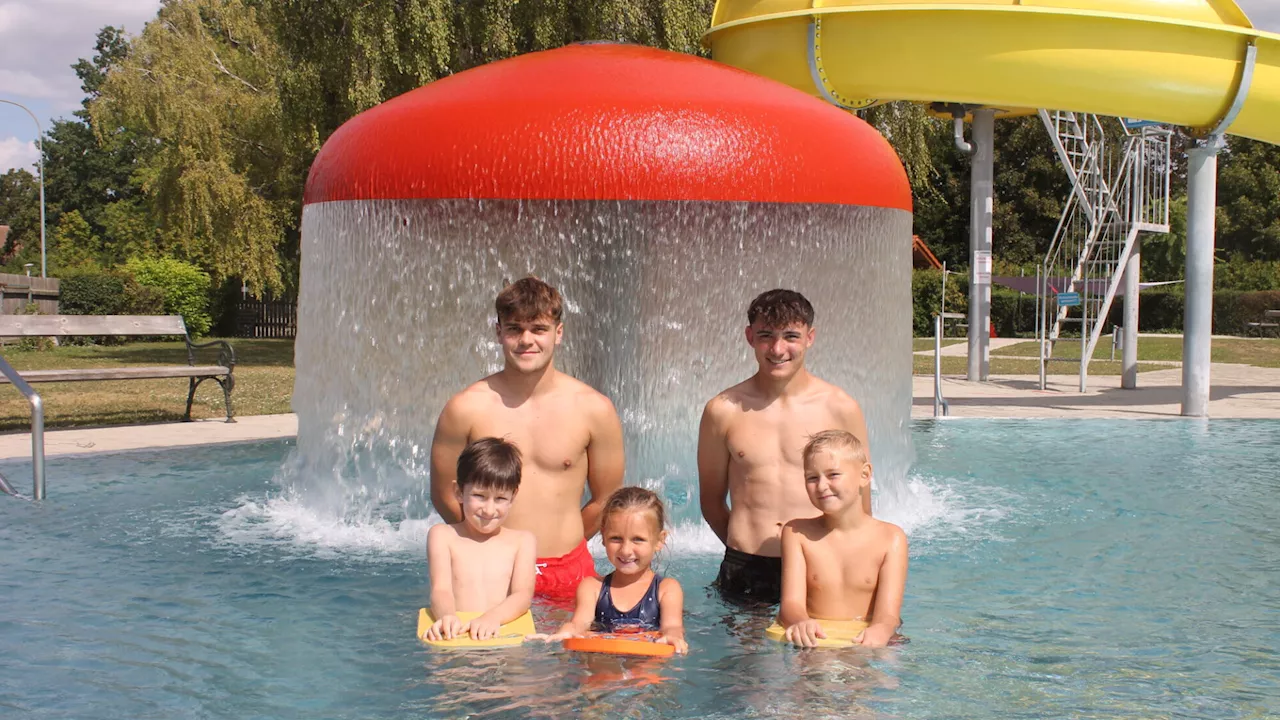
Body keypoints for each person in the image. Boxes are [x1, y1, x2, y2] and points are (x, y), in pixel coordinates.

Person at [431, 276, 625, 601]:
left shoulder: (594, 409)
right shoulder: (465, 409)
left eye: (538, 329)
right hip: (493, 569)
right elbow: (444, 494)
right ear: (498, 333)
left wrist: (565, 543)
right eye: (514, 329)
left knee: (579, 654)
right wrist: (489, 544)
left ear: (558, 333)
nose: (526, 340)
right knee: (490, 654)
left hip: (568, 569)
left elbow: (605, 500)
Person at [698, 289, 871, 605]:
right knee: (743, 656)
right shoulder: (722, 410)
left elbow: (860, 503)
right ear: (750, 336)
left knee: (826, 656)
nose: (778, 349)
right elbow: (710, 501)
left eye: (791, 336)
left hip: (820, 565)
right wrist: (745, 552)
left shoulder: (840, 408)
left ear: (810, 337)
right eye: (766, 335)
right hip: (747, 566)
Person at [778, 430, 906, 648]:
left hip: (865, 643)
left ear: (864, 475)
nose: (821, 485)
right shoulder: (796, 533)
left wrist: (881, 629)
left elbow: (889, 614)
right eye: (812, 478)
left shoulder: (891, 538)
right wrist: (801, 622)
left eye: (833, 475)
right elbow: (790, 603)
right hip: (817, 643)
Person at [534, 487, 688, 654]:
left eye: (638, 539)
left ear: (659, 540)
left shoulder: (666, 589)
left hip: (647, 660)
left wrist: (673, 637)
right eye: (616, 538)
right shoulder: (591, 587)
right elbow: (579, 623)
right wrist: (567, 629)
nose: (626, 550)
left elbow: (672, 626)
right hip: (602, 659)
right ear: (603, 537)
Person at [425, 437, 537, 641]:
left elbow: (522, 596)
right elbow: (441, 589)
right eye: (479, 496)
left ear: (513, 496)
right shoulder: (443, 536)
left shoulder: (522, 541)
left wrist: (491, 618)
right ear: (459, 492)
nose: (489, 509)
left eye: (500, 498)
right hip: (457, 633)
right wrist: (447, 617)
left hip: (500, 631)